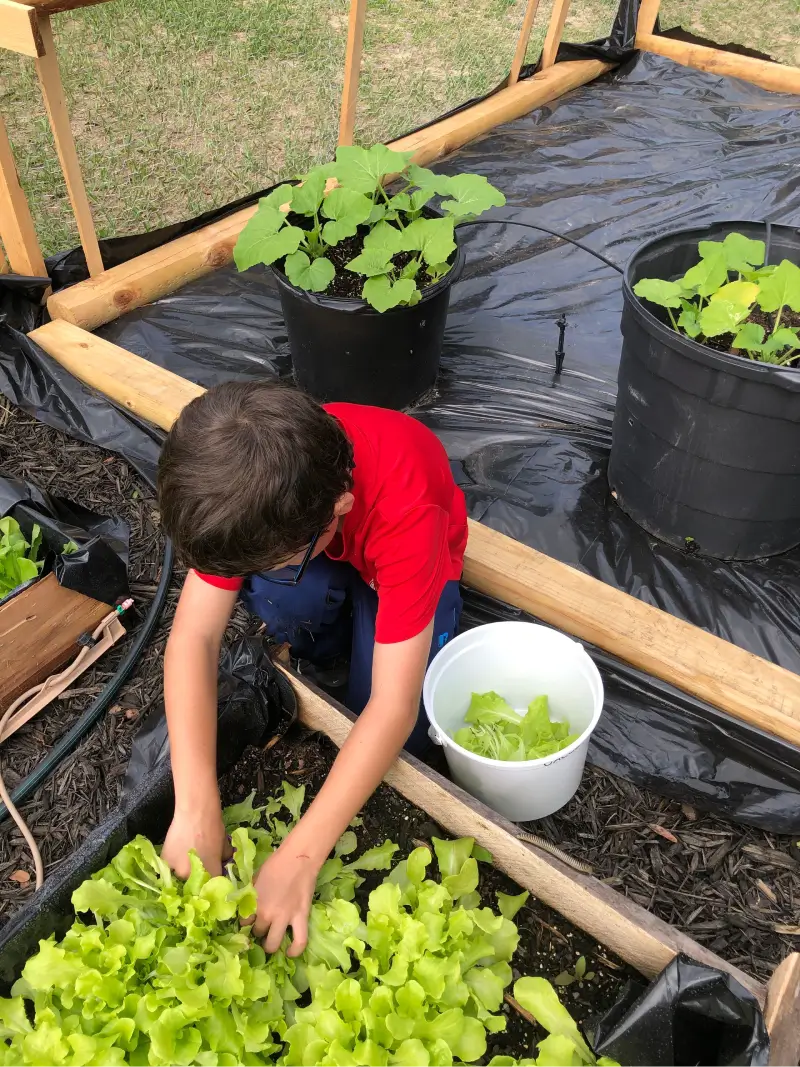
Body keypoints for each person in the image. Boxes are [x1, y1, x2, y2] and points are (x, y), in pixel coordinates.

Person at [157, 379, 467, 958]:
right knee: (284, 599)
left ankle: (355, 613)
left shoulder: (406, 513)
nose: (245, 575)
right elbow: (194, 635)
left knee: (406, 727)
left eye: (271, 560)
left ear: (340, 510)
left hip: (416, 549)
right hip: (324, 542)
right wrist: (195, 802)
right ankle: (325, 626)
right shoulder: (249, 479)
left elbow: (392, 708)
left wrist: (300, 857)